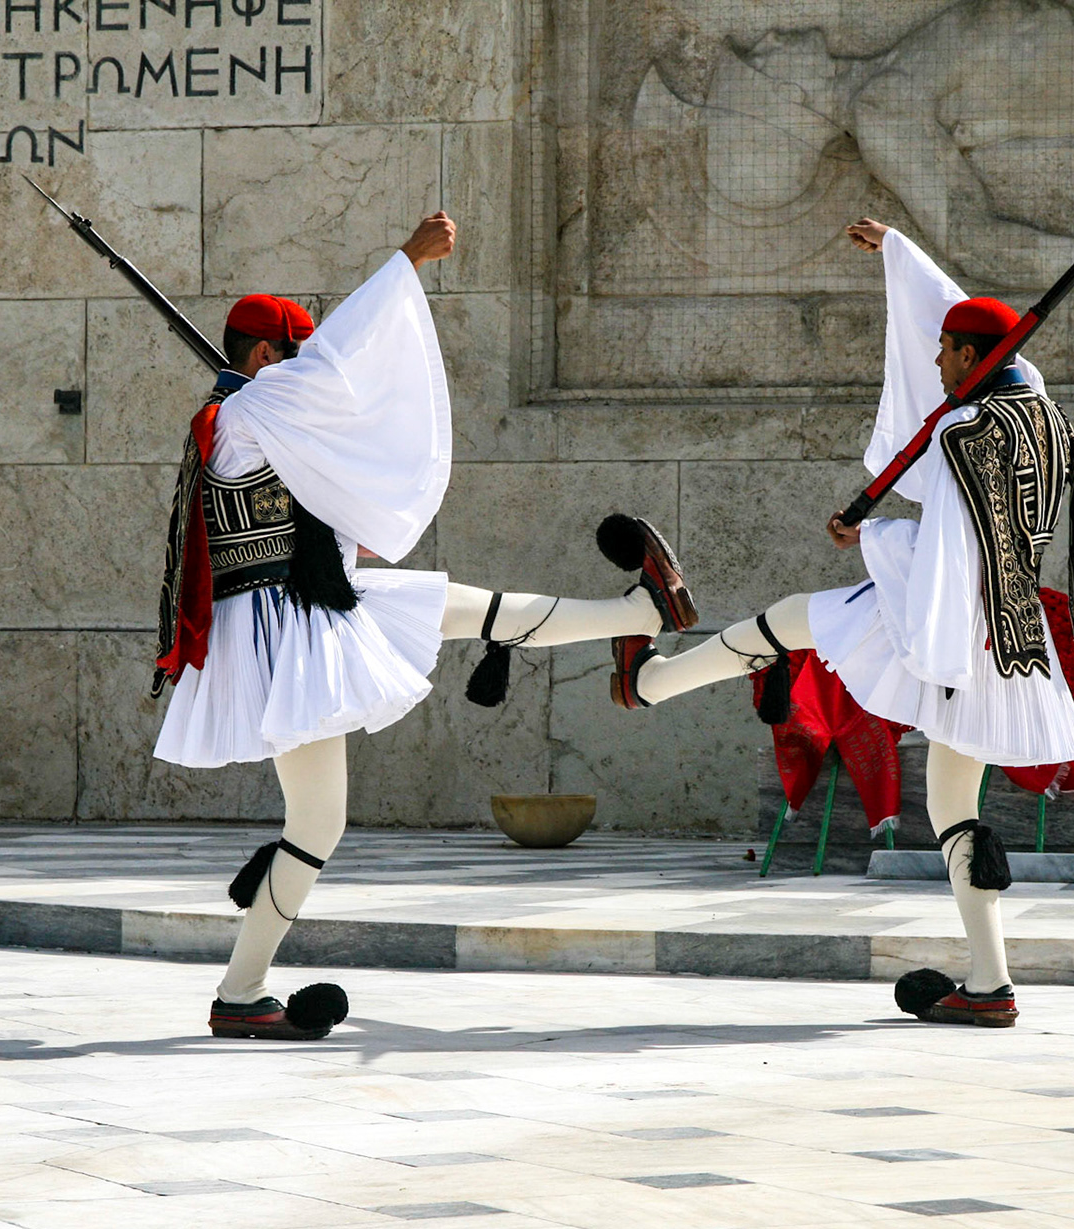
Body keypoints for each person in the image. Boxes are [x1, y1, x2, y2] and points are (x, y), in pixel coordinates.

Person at [153, 212, 697, 1040]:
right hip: (285, 632)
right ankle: (241, 990)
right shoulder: (253, 411)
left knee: (461, 605)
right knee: (317, 825)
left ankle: (635, 613)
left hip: (300, 607)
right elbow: (345, 359)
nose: (309, 378)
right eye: (291, 360)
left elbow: (315, 483)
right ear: (266, 358)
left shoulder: (243, 416)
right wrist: (405, 261)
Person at [608, 216, 1074, 1028]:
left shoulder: (963, 431)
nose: (935, 360)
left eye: (946, 351)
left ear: (974, 361)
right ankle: (990, 983)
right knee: (955, 810)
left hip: (948, 620)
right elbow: (984, 331)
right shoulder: (1038, 411)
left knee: (796, 618)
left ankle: (649, 682)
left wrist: (867, 532)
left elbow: (944, 549)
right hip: (1011, 638)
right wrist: (902, 256)